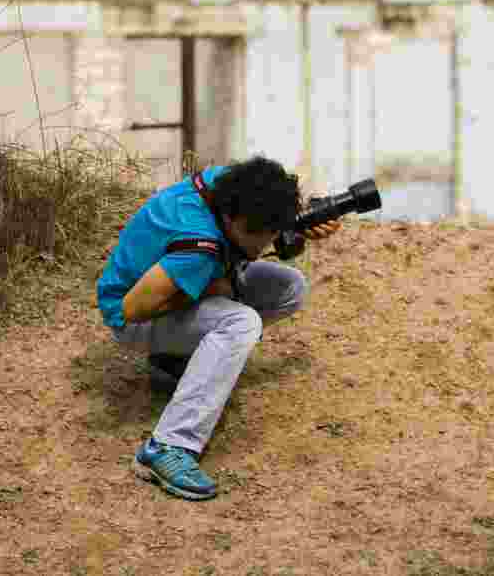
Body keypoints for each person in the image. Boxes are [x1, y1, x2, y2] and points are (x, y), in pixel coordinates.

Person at [96, 154, 342, 500]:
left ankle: (176, 361)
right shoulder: (198, 247)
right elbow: (130, 309)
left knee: (289, 287)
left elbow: (255, 237)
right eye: (261, 236)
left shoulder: (226, 185)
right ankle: (167, 446)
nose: (265, 244)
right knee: (241, 323)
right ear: (233, 219)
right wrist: (210, 287)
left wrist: (298, 228)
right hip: (136, 317)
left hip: (190, 278)